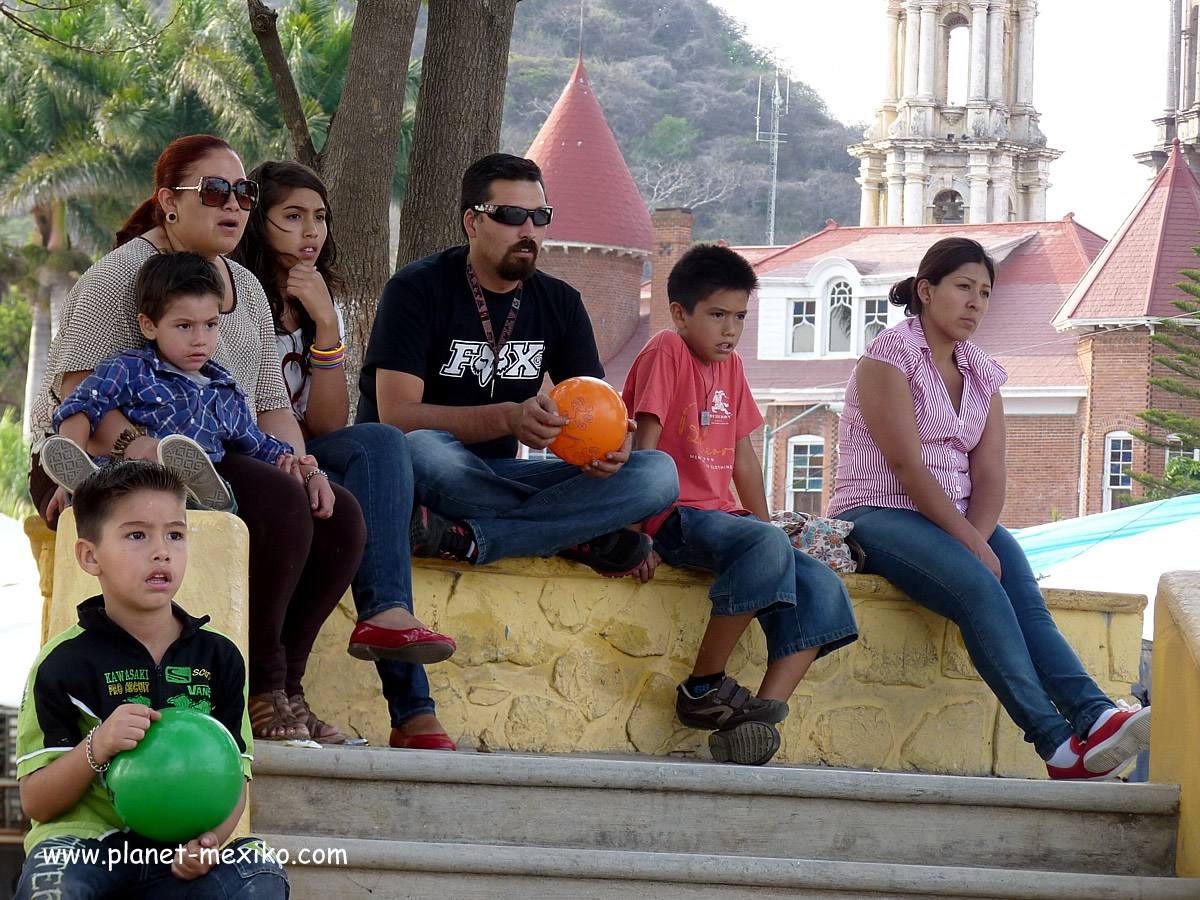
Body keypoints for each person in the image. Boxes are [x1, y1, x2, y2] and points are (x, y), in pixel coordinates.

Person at [27, 134, 366, 743]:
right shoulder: (122, 277)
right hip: (103, 449)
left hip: (207, 450)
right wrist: (140, 450)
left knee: (340, 517)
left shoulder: (248, 287)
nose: (232, 204)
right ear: (169, 203)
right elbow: (82, 391)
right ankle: (259, 689)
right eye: (214, 191)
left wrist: (302, 463)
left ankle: (289, 685)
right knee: (280, 506)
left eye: (243, 192)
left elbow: (266, 405)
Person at [827, 236, 1151, 780]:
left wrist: (977, 537)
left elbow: (991, 471)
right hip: (878, 511)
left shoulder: (983, 371)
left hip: (956, 514)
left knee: (1021, 590)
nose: (975, 302)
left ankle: (1093, 715)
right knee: (980, 587)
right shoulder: (885, 359)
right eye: (962, 287)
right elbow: (907, 468)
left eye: (985, 292)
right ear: (926, 291)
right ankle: (1055, 746)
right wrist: (972, 547)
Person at [358, 153, 678, 578]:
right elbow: (397, 418)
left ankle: (472, 539)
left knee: (656, 473)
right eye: (511, 216)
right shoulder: (415, 290)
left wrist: (613, 445)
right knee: (421, 449)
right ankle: (577, 533)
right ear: (472, 222)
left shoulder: (561, 303)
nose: (529, 231)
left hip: (501, 479)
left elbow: (594, 406)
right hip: (432, 472)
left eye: (540, 216)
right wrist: (510, 419)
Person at [232, 160, 458, 751]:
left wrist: (327, 323)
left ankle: (386, 614)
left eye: (321, 217)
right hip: (248, 454)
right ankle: (404, 707)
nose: (312, 231)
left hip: (306, 449)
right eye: (293, 217)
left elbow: (330, 422)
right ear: (258, 221)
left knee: (381, 440)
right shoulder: (235, 291)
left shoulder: (313, 300)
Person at [622, 245, 858, 765]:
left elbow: (744, 460)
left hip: (724, 519)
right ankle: (704, 687)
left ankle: (758, 718)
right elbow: (646, 442)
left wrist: (773, 530)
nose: (730, 330)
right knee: (765, 544)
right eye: (717, 315)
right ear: (680, 314)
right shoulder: (667, 349)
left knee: (823, 588)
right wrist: (635, 533)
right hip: (673, 515)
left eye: (740, 318)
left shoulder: (730, 367)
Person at [14, 461, 288, 899]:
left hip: (176, 859)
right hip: (87, 848)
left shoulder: (220, 657)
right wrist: (97, 746)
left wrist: (209, 841)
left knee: (260, 873)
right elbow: (37, 802)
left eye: (175, 535)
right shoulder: (62, 662)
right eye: (137, 534)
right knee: (53, 883)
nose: (161, 551)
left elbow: (234, 776)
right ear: (90, 556)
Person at [43, 252, 296, 513]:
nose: (200, 339)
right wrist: (69, 467)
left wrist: (296, 462)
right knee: (113, 480)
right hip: (130, 480)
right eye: (184, 326)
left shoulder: (225, 392)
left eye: (210, 325)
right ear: (149, 326)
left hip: (188, 500)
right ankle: (84, 487)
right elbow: (80, 406)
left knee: (223, 499)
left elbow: (256, 443)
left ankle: (207, 500)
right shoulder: (131, 369)